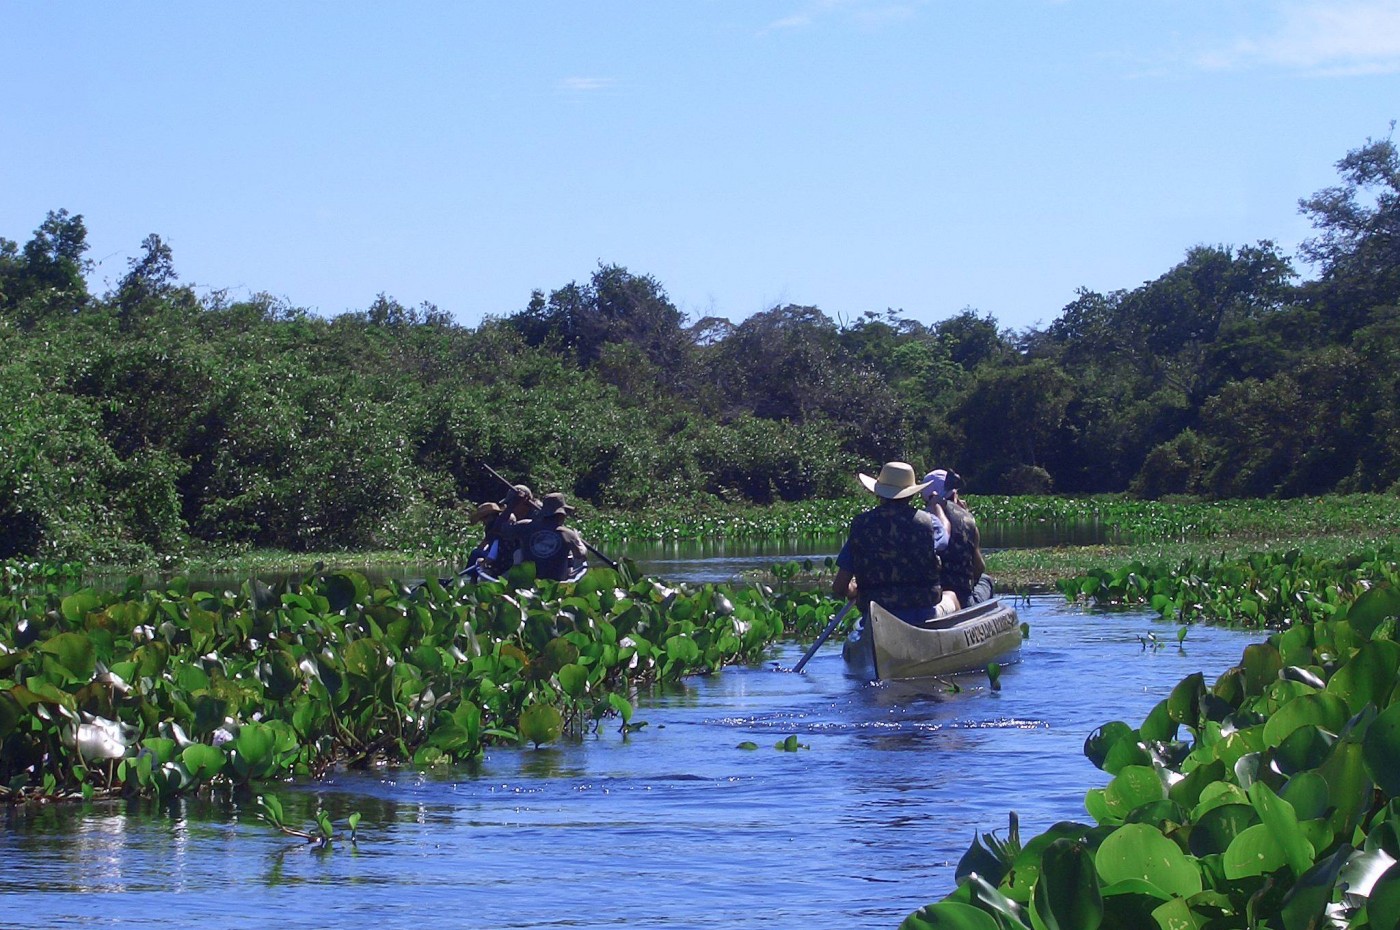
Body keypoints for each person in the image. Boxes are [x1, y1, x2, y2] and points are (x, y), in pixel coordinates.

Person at [832, 461, 951, 625]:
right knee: (952, 598)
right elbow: (944, 540)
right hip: (923, 615)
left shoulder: (861, 525)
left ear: (879, 494)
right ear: (911, 495)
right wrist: (938, 508)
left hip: (875, 619)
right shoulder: (930, 523)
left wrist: (853, 589)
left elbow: (839, 586)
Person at [922, 468, 993, 609]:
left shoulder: (921, 519)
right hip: (963, 600)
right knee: (986, 580)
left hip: (932, 598)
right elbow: (979, 568)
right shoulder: (967, 519)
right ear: (953, 494)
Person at [501, 492, 589, 581]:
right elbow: (581, 555)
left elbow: (502, 529)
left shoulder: (525, 526)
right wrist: (578, 540)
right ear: (561, 515)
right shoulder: (568, 534)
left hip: (527, 583)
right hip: (555, 585)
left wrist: (511, 506)